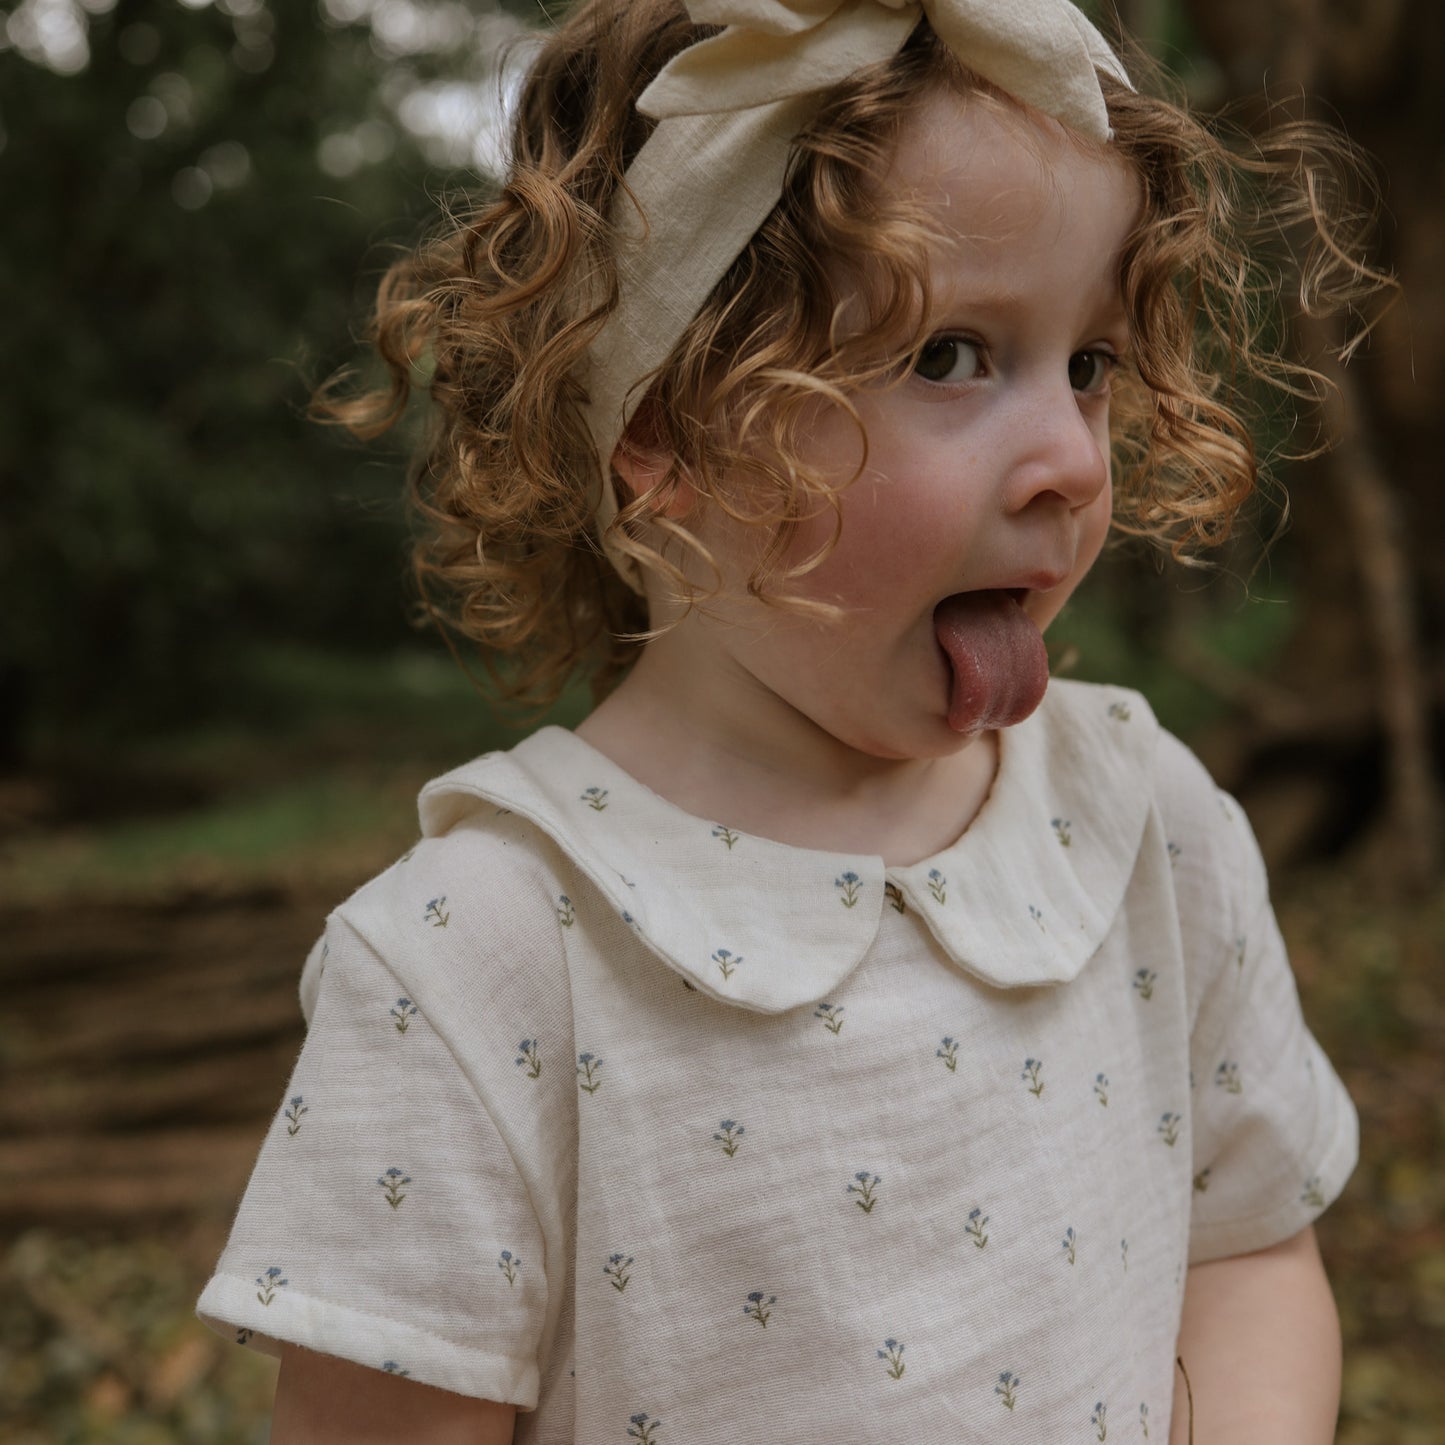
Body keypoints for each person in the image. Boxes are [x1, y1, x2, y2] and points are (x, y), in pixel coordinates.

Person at [198, 1, 1387, 1439]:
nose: (1073, 459)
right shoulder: (482, 958)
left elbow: (1248, 1251)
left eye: (1089, 362)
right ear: (664, 426)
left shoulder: (1140, 819)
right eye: (952, 356)